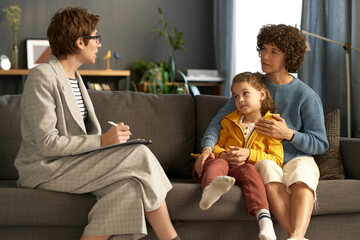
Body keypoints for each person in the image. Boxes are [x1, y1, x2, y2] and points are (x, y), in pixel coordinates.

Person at [14, 6, 180, 240]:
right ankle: (171, 238)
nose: (100, 44)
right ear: (80, 42)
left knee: (129, 187)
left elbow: (82, 137)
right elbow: (47, 144)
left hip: (73, 163)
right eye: (96, 38)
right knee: (140, 153)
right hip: (46, 169)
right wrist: (103, 141)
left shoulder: (76, 78)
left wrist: (110, 144)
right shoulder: (42, 75)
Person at [198, 24, 329, 240]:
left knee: (302, 174)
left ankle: (295, 237)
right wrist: (207, 148)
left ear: (289, 56)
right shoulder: (250, 87)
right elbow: (217, 123)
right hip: (265, 158)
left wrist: (289, 134)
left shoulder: (306, 96)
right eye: (264, 49)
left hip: (297, 156)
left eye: (273, 52)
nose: (265, 56)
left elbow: (320, 143)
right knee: (267, 168)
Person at [193, 72, 283, 240]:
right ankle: (208, 193)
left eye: (245, 93)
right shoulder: (229, 121)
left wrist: (249, 154)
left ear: (261, 94)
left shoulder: (272, 125)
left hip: (241, 168)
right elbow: (217, 146)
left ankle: (265, 221)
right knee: (217, 162)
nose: (240, 99)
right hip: (223, 165)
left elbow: (277, 159)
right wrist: (224, 155)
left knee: (250, 171)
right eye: (235, 96)